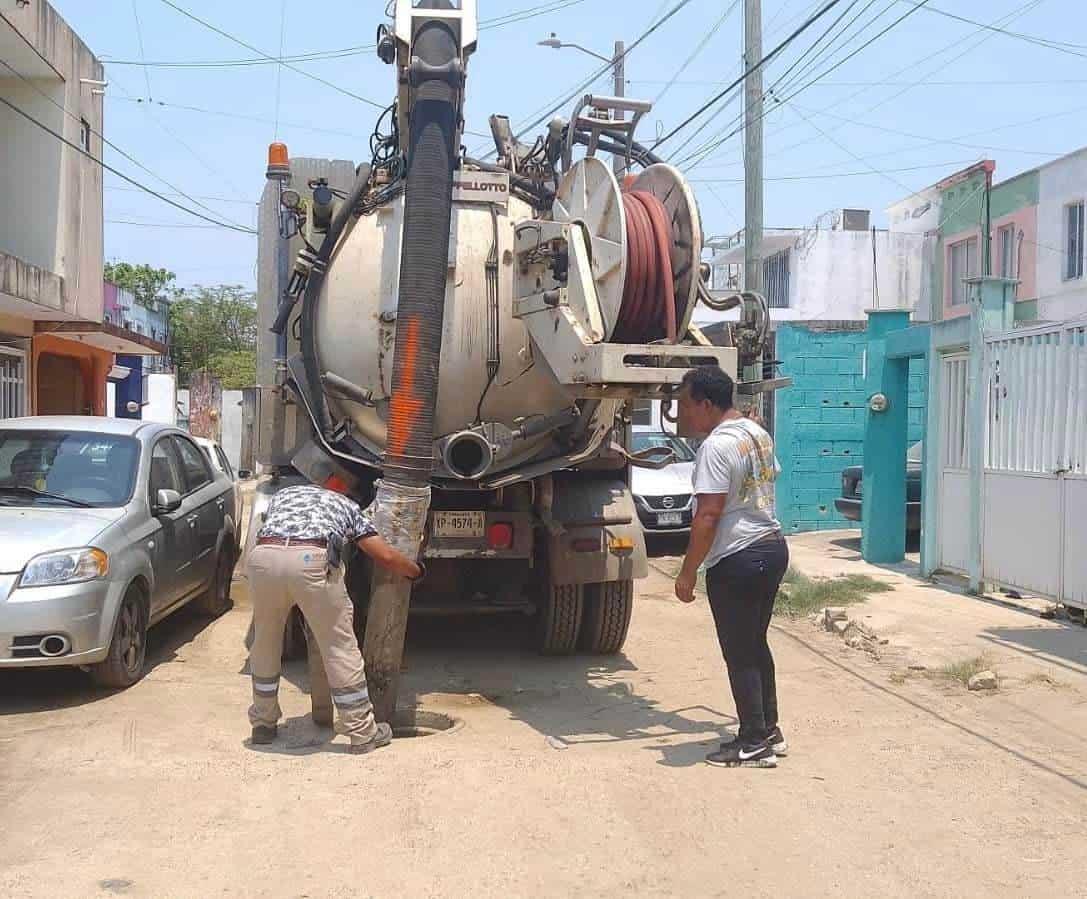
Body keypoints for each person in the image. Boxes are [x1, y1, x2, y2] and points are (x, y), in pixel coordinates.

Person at [246, 483, 423, 753]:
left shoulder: (286, 494)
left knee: (266, 641)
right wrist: (414, 571)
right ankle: (363, 732)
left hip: (263, 559)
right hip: (310, 561)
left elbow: (274, 526)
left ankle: (262, 724)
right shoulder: (347, 506)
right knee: (339, 646)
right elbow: (383, 555)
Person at [673, 366, 789, 769]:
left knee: (739, 652)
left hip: (738, 557)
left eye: (685, 405)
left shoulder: (715, 447)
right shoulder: (756, 434)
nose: (681, 414)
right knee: (755, 644)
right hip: (772, 547)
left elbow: (707, 515)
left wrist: (688, 572)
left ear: (706, 404)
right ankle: (768, 728)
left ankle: (754, 740)